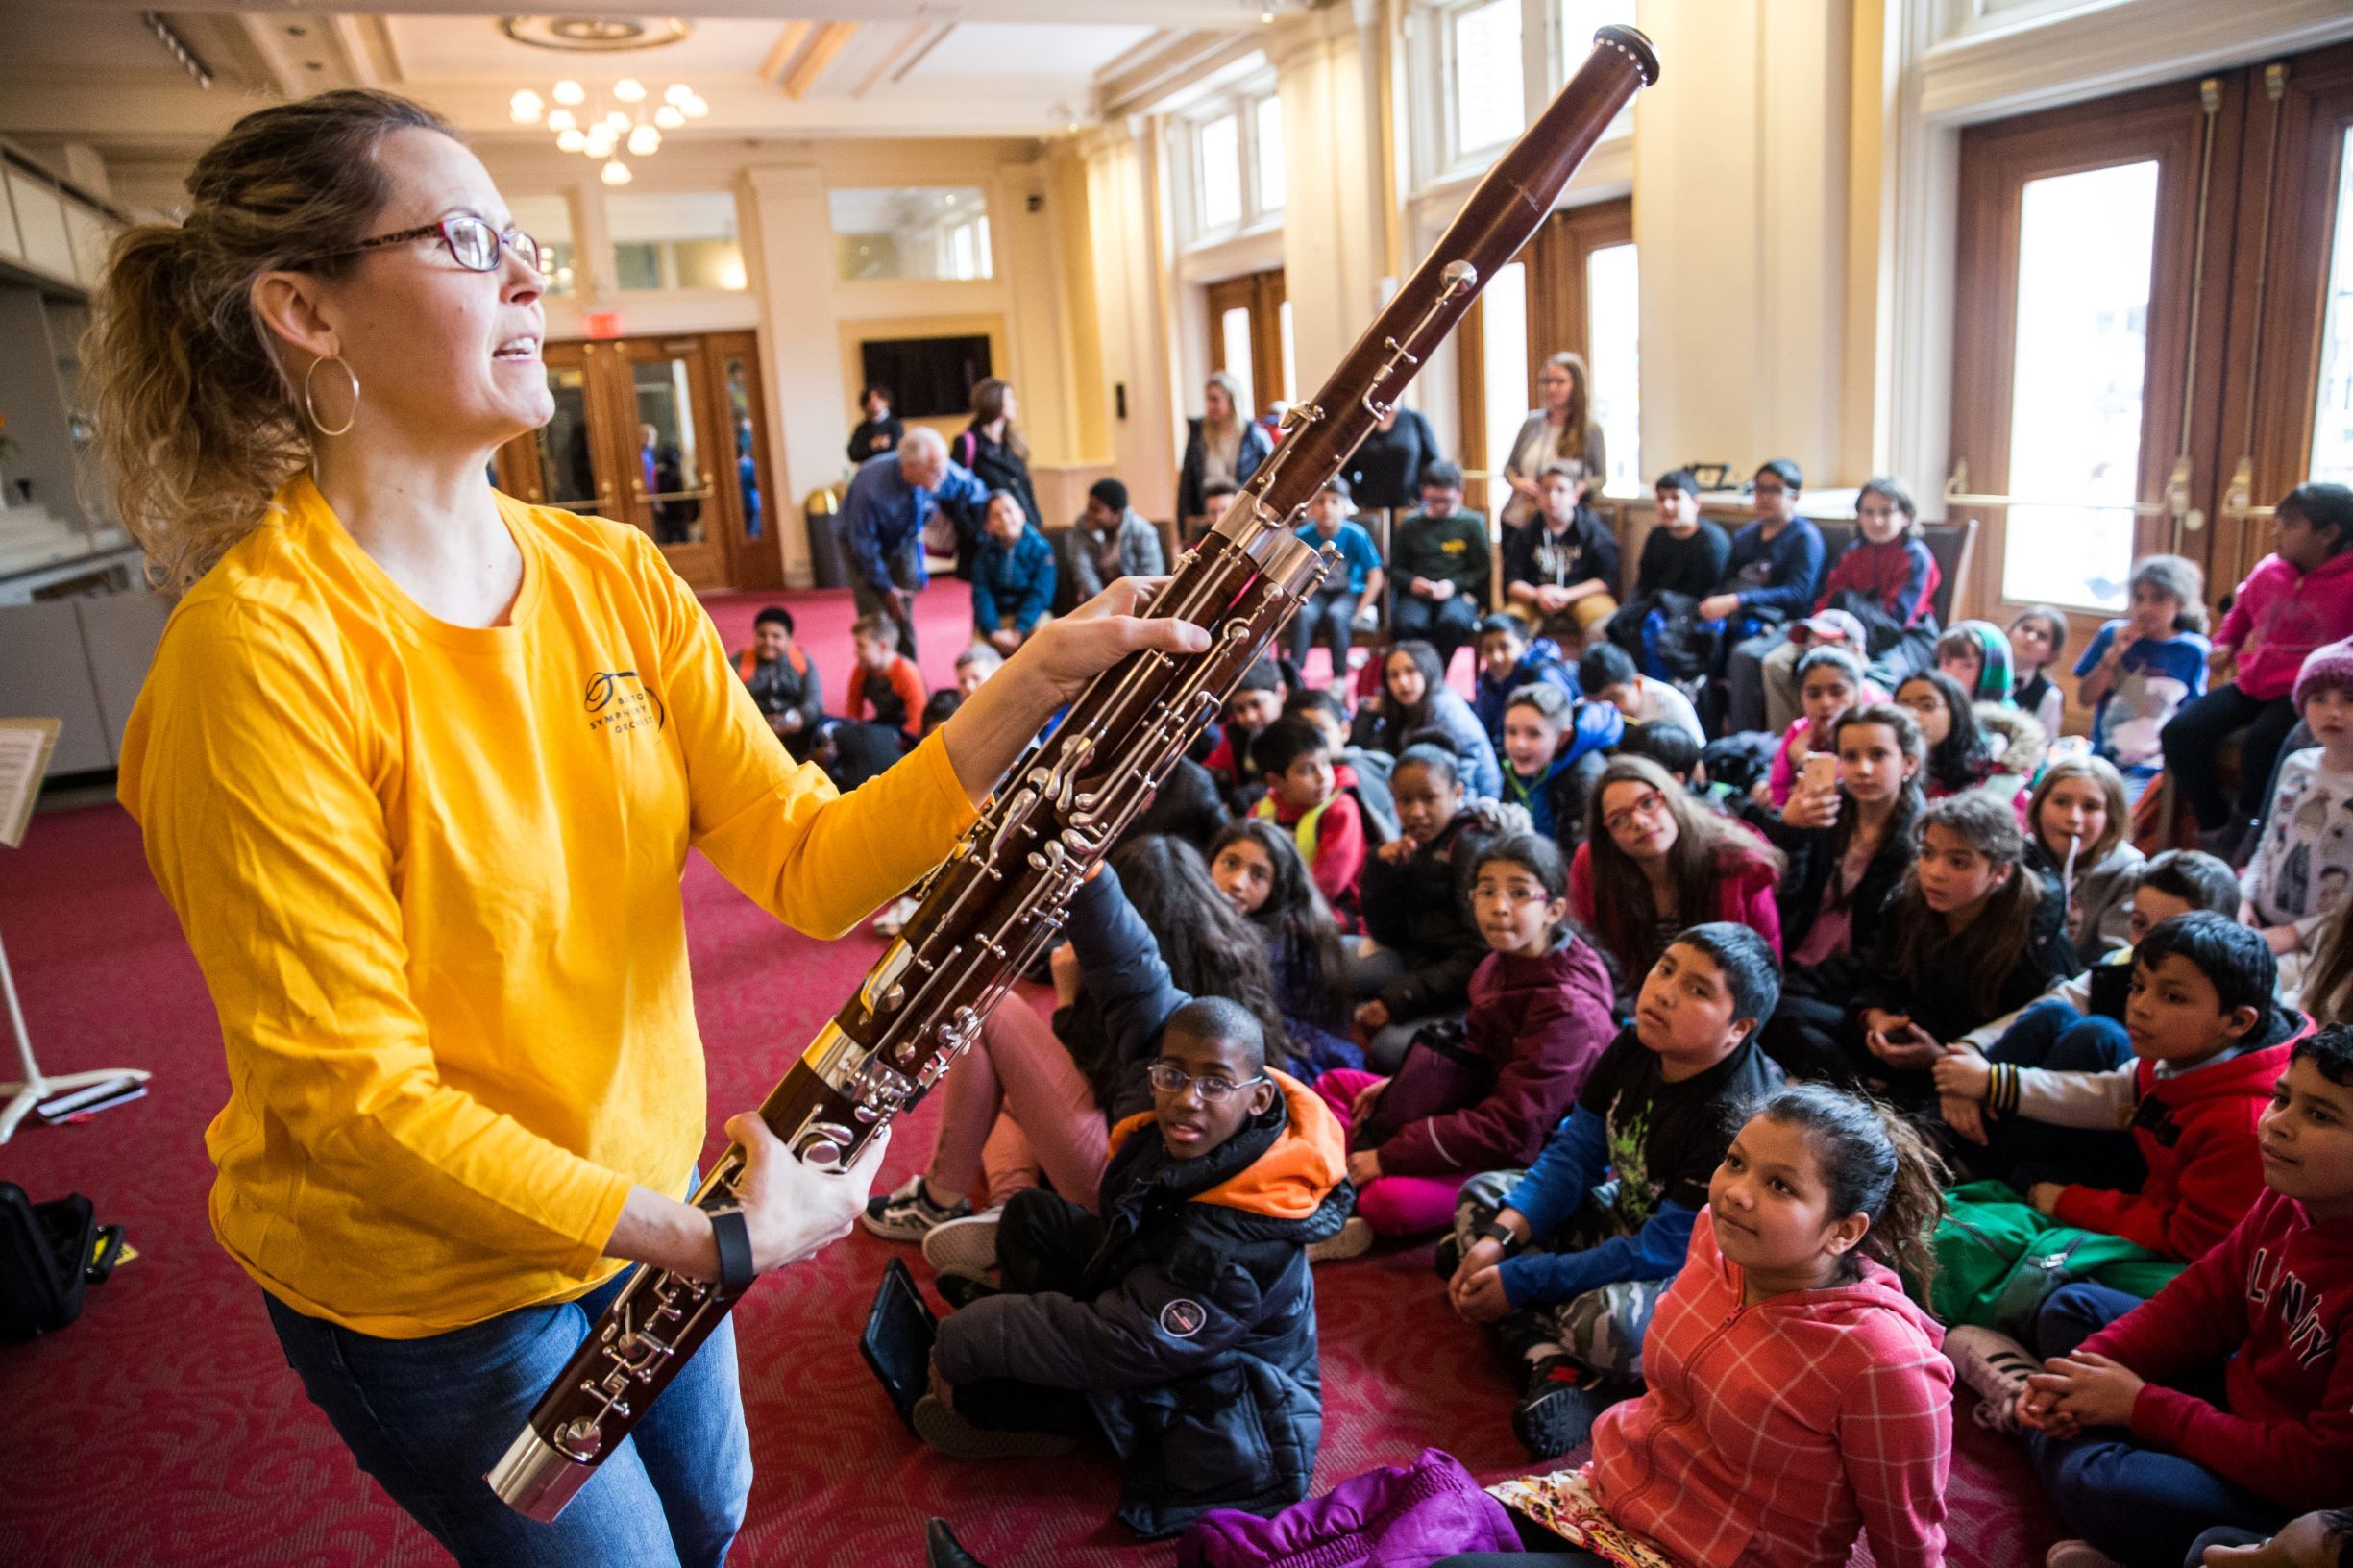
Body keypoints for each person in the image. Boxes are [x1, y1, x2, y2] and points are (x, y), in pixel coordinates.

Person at [87, 86, 1204, 1568]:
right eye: (466, 238)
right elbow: (359, 1106)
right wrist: (709, 1239)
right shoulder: (260, 655)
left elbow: (807, 865)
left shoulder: (611, 574)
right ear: (307, 309)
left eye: (519, 239)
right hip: (441, 1290)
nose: (530, 277)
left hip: (648, 1205)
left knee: (714, 1521)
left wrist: (1029, 683)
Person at [918, 997, 1350, 1540]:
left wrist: (978, 1334)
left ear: (1259, 1097)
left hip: (1227, 1412)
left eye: (1215, 1083)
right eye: (1173, 1075)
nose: (1187, 1100)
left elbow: (1126, 1344)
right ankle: (1025, 1339)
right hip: (1165, 1324)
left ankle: (1036, 1407)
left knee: (985, 1390)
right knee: (1033, 1216)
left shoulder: (1234, 1242)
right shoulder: (1196, 1141)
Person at [1472, 1086, 1954, 1568]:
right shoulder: (1717, 1237)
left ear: (1844, 1231)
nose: (1736, 1194)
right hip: (1611, 1494)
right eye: (1736, 1162)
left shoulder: (1885, 1362)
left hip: (1707, 1557)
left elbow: (1909, 1543)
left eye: (1781, 1186)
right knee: (1437, 1531)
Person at [2009, 1027, 2353, 1568]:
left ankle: (2033, 1416)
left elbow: (2318, 1473)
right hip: (2231, 1403)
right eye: (2283, 1099)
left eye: (2321, 1116)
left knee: (2113, 1489)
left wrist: (2140, 1407)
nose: (2278, 1126)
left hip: (2287, 1486)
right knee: (2072, 1310)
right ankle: (2057, 1412)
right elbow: (2203, 1299)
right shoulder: (2291, 1194)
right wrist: (2082, 1373)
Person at [1446, 924, 1782, 1458]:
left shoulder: (1738, 1113)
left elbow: (1663, 1249)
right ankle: (1550, 1361)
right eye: (1665, 968)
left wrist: (1523, 1275)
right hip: (1623, 1216)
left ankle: (1535, 1339)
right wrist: (1502, 1238)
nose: (1665, 991)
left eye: (1698, 989)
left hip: (1693, 1273)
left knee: (1610, 1327)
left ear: (1739, 1027)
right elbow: (1575, 1152)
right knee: (1485, 1197)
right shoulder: (1636, 1040)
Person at [861, 836, 1294, 1241]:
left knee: (991, 1010)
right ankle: (1011, 1209)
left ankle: (945, 1201)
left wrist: (1067, 1000)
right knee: (1012, 1093)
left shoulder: (1142, 995)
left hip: (1131, 1180)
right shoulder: (1233, 960)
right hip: (1169, 1169)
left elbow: (1097, 1073)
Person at [1309, 834, 1616, 1253]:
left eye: (1519, 893)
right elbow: (1472, 1058)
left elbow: (1513, 1129)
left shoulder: (1568, 1009)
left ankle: (1336, 1188)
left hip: (1529, 1153)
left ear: (1554, 910)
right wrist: (1400, 1086)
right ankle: (1339, 1188)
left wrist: (1391, 1155)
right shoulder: (1496, 962)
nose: (1499, 906)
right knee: (1336, 1087)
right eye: (1486, 891)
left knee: (1389, 1201)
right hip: (1479, 1109)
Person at [1930, 849, 2243, 1188]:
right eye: (2140, 924)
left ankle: (1969, 1159)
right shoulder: (2123, 962)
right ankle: (1936, 1136)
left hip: (2133, 1138)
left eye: (2173, 931)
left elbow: (2120, 1096)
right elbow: (2051, 1004)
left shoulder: (2227, 996)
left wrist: (1990, 1082)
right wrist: (1963, 1063)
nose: (2150, 944)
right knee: (2053, 1014)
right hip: (2078, 1121)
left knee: (2098, 1035)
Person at [2164, 484, 2353, 852]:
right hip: (2255, 681)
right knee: (2180, 731)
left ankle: (2254, 827)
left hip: (2307, 692)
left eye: (2289, 525)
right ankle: (2216, 826)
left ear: (2328, 533)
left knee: (2262, 745)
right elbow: (2242, 611)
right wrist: (2226, 643)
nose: (2275, 533)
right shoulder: (2269, 570)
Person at [1569, 757, 1784, 1005]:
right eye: (1618, 819)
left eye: (1648, 803)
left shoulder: (1737, 864)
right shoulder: (1593, 868)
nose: (1639, 822)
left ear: (1672, 798)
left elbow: (1764, 969)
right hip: (1634, 1009)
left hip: (1719, 1010)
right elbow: (1589, 961)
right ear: (1608, 836)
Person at [1354, 746, 1509, 1070]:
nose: (1417, 813)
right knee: (1335, 958)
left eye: (1429, 798)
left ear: (1457, 793)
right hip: (1421, 965)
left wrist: (1398, 999)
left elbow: (1479, 955)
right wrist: (1382, 870)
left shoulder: (1469, 848)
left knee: (1389, 1048)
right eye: (1405, 801)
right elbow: (1387, 933)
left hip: (1466, 989)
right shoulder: (1418, 845)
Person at [1750, 477, 1942, 734]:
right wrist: (1819, 635)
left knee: (1874, 676)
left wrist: (1846, 638)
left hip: (1903, 639)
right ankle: (1788, 742)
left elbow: (1896, 619)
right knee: (1778, 663)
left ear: (1906, 516)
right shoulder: (1853, 552)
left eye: (1886, 512)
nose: (1876, 521)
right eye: (1868, 512)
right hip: (1839, 629)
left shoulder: (1916, 555)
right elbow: (1828, 599)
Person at [2240, 637, 2353, 989]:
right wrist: (2244, 896)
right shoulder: (2295, 766)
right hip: (2263, 919)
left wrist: (2295, 933)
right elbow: (2271, 838)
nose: (2333, 712)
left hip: (2328, 943)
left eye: (2350, 700)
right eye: (2319, 699)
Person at [1209, 820, 1358, 1075]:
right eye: (1230, 863)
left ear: (1277, 887)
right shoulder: (1198, 917)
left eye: (1258, 875)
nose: (1237, 883)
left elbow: (1280, 1030)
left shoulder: (1292, 942)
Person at [838, 426, 989, 660]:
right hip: (860, 545)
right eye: (935, 472)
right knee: (876, 617)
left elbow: (976, 490)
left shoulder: (940, 470)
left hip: (904, 539)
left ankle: (909, 676)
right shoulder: (870, 487)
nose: (942, 476)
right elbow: (864, 547)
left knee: (902, 612)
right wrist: (886, 588)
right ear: (910, 468)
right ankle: (882, 682)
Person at [2075, 554, 2209, 805]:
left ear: (2179, 603)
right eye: (2139, 598)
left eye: (2158, 599)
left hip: (2154, 767)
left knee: (2125, 816)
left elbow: (2190, 714)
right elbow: (2085, 698)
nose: (2145, 607)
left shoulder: (2193, 650)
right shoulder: (2111, 635)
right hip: (2104, 758)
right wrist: (2111, 659)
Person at [1712, 460, 1827, 733]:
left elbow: (1798, 595)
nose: (1764, 497)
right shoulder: (1746, 536)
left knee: (1745, 656)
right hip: (1738, 615)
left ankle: (1744, 741)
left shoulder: (1804, 538)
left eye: (1774, 490)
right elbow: (1725, 582)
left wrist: (1739, 601)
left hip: (1786, 621)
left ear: (1794, 497)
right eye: (1759, 489)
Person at [2026, 754, 2145, 967]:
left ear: (2111, 816)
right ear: (2039, 805)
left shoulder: (2129, 875)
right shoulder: (2018, 861)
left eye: (2090, 807)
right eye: (2060, 802)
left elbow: (2114, 962)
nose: (2073, 817)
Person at [1250, 717, 1369, 926]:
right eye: (1306, 769)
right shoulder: (1260, 811)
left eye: (1325, 763)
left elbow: (1329, 884)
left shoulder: (1341, 809)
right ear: (1276, 781)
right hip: (1278, 909)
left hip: (1333, 911)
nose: (1322, 776)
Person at [1602, 469, 1728, 661]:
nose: (1667, 506)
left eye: (1676, 498)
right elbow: (1644, 584)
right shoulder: (1657, 536)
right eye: (1661, 499)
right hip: (1656, 608)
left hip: (1691, 618)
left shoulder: (1713, 542)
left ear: (1695, 503)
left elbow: (1713, 594)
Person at [1502, 465, 1620, 654]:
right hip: (1534, 597)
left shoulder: (1594, 531)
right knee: (1506, 626)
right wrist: (1537, 594)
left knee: (1605, 622)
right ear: (1538, 495)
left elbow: (1606, 580)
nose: (1552, 497)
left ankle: (1591, 678)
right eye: (1546, 489)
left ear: (1575, 496)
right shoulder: (1524, 533)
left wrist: (1567, 595)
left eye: (1561, 490)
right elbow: (1512, 582)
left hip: (1581, 595)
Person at [1388, 460, 1492, 673]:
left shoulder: (1471, 523)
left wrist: (1453, 585)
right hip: (1418, 593)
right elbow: (1394, 568)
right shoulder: (1411, 524)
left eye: (1445, 500)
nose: (1439, 506)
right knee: (1407, 624)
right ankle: (1416, 672)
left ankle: (1433, 676)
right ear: (1423, 492)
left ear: (1460, 494)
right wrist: (1411, 582)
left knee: (1453, 622)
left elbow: (1482, 568)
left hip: (1457, 592)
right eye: (1432, 500)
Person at [1365, 640, 1503, 799]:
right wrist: (1368, 713)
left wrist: (1460, 812)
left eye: (1410, 671)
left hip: (1471, 798)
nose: (1402, 682)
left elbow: (1469, 763)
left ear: (1427, 671)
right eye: (1394, 675)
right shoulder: (1403, 706)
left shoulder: (1443, 707)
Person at [1498, 682, 1622, 847]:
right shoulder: (1516, 769)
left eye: (1534, 734)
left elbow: (1576, 853)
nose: (1519, 744)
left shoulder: (1585, 778)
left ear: (1563, 737)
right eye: (1511, 732)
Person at [1498, 351, 1607, 528]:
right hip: (1520, 518)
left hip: (1561, 522)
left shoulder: (1589, 429)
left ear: (1576, 385)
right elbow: (1509, 468)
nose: (1552, 388)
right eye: (1547, 382)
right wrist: (1519, 483)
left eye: (1560, 382)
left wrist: (1573, 490)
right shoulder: (1532, 423)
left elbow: (1600, 477)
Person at [1759, 646, 1875, 811]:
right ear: (1802, 697)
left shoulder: (1871, 734)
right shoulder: (1799, 730)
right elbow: (1778, 793)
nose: (1825, 703)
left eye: (1837, 692)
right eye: (1813, 694)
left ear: (1857, 696)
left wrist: (1805, 757)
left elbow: (1856, 783)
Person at [1290, 477, 1385, 678]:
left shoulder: (1355, 535)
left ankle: (1339, 677)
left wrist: (1360, 611)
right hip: (1314, 591)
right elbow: (1291, 573)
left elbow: (1376, 575)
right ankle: (1294, 676)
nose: (1327, 508)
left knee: (1337, 615)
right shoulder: (1302, 536)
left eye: (1334, 502)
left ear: (1344, 507)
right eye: (1321, 501)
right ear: (1312, 507)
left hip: (1346, 593)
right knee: (1303, 615)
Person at [1894, 670, 2004, 803]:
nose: (1912, 714)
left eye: (1928, 706)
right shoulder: (1888, 767)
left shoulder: (1992, 778)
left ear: (1956, 711)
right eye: (1903, 706)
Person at [732, 604, 823, 763]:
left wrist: (799, 718)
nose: (768, 641)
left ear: (789, 640)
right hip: (753, 732)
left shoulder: (802, 662)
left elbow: (814, 702)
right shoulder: (738, 663)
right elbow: (729, 703)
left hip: (795, 729)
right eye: (762, 635)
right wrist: (760, 723)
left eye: (776, 636)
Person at [1178, 370, 1272, 525]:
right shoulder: (1198, 435)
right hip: (1207, 516)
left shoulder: (1254, 436)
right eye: (1207, 400)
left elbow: (1270, 477)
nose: (1209, 406)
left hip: (1244, 515)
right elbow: (1187, 485)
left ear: (1232, 400)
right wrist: (1183, 526)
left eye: (1215, 400)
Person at [968, 489, 1056, 653]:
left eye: (1009, 511)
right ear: (988, 525)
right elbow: (982, 594)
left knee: (1045, 645)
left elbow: (1041, 594)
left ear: (1022, 515)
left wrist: (1019, 629)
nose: (1005, 519)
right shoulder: (983, 554)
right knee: (976, 657)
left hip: (1031, 617)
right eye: (996, 515)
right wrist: (993, 631)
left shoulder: (1041, 548)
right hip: (997, 619)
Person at [1473, 614, 1579, 746]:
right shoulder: (1488, 680)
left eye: (1504, 647)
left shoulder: (1544, 676)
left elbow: (1559, 734)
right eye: (1488, 650)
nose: (1496, 657)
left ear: (1526, 646)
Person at [1577, 641, 1702, 743]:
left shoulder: (1669, 702)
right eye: (1596, 702)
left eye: (1613, 698)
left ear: (1638, 683)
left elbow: (1695, 759)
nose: (1607, 707)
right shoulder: (1581, 711)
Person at [1067, 477, 1165, 601]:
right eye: (1089, 507)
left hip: (1136, 601)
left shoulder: (1143, 532)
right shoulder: (1082, 527)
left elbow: (1151, 576)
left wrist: (1129, 603)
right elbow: (1083, 571)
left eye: (1096, 510)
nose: (1089, 514)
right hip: (1096, 602)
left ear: (1117, 514)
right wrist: (1103, 603)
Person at [843, 611, 928, 744]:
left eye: (861, 646)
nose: (855, 652)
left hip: (909, 733)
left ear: (883, 646)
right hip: (886, 724)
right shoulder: (861, 669)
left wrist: (890, 743)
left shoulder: (906, 673)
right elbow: (853, 711)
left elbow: (917, 722)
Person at [1344, 400, 1444, 513]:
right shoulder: (1363, 422)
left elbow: (1433, 463)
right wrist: (1359, 496)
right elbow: (1346, 467)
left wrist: (1421, 495)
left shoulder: (1414, 419)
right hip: (1372, 507)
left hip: (1411, 506)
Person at [2008, 604, 2070, 742]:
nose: (2030, 638)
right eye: (2026, 628)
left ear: (2052, 654)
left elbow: (2043, 745)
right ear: (2010, 633)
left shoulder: (2050, 696)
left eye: (2042, 636)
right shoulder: (1982, 672)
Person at [846, 383, 903, 464]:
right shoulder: (861, 428)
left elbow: (897, 452)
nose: (873, 402)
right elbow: (853, 454)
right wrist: (872, 445)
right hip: (868, 471)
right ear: (865, 405)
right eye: (869, 399)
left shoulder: (895, 425)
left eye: (878, 398)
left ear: (886, 401)